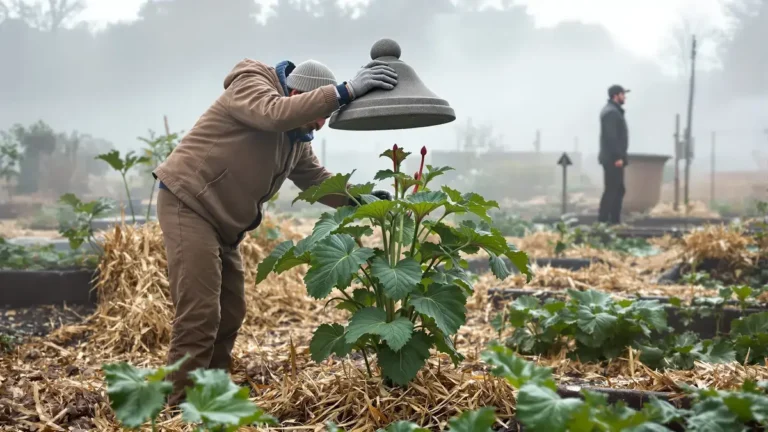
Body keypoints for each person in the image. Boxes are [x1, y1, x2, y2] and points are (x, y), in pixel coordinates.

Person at [152, 57, 397, 406]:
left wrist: (360, 198)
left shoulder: (297, 138)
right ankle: (176, 406)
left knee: (231, 311)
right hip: (189, 203)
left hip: (224, 224)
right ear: (298, 93)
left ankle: (208, 395)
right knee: (200, 313)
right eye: (319, 113)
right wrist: (345, 92)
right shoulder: (252, 85)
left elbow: (315, 179)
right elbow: (273, 113)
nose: (320, 124)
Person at [598, 84, 630, 225]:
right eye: (623, 94)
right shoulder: (611, 113)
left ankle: (613, 220)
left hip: (613, 158)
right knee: (612, 189)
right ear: (615, 95)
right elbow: (611, 136)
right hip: (612, 159)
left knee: (617, 189)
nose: (625, 97)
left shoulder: (613, 111)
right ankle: (604, 221)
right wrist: (618, 156)